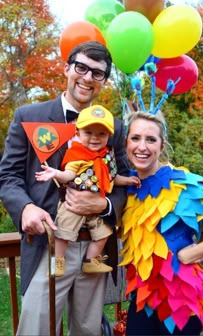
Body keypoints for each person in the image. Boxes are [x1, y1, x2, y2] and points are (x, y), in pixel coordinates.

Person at [0, 41, 130, 336]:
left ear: (104, 82)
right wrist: (25, 207)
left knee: (88, 329)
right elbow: (8, 176)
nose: (87, 77)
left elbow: (125, 182)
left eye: (97, 73)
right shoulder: (27, 116)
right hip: (48, 245)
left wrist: (105, 206)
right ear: (67, 69)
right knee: (36, 329)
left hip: (95, 249)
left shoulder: (116, 127)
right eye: (81, 68)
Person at [119, 111, 203, 336]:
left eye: (151, 140)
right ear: (126, 142)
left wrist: (190, 255)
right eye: (135, 138)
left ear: (162, 146)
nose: (142, 147)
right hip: (143, 297)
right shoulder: (128, 184)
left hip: (182, 303)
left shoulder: (182, 184)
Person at [35, 104, 140, 276]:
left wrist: (128, 180)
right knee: (63, 234)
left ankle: (91, 260)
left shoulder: (107, 156)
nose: (94, 138)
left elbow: (112, 177)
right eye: (88, 133)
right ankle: (57, 261)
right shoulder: (77, 154)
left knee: (104, 232)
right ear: (77, 134)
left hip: (95, 210)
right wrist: (55, 173)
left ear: (109, 135)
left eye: (101, 133)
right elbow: (68, 175)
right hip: (73, 207)